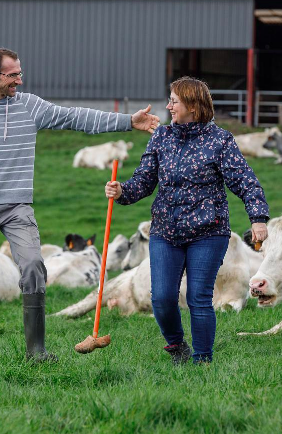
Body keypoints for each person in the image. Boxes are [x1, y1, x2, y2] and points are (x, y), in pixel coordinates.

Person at [0, 48, 160, 362]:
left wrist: (127, 122)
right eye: (12, 75)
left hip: (17, 208)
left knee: (34, 269)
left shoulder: (29, 106)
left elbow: (76, 117)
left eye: (19, 73)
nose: (19, 80)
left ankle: (36, 351)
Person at [105, 77, 269, 365]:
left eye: (174, 101)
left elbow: (245, 181)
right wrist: (122, 191)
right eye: (169, 100)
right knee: (163, 298)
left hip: (208, 232)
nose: (168, 106)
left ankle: (202, 360)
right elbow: (144, 181)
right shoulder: (161, 137)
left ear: (193, 106)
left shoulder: (220, 141)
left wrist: (258, 218)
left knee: (198, 297)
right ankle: (177, 344)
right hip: (166, 230)